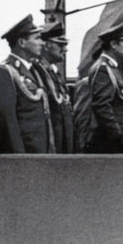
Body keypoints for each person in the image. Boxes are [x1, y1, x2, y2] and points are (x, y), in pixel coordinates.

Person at [0, 14, 55, 154]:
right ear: (22, 43)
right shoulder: (5, 71)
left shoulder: (35, 71)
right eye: (37, 38)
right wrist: (19, 157)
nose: (42, 43)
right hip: (25, 154)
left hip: (42, 150)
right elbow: (7, 122)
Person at [88, 23, 123, 153]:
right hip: (112, 139)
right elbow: (101, 105)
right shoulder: (103, 68)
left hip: (121, 135)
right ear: (113, 44)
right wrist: (117, 133)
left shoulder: (111, 67)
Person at [36, 22, 74, 153]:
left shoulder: (54, 71)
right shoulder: (38, 71)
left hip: (63, 137)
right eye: (60, 45)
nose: (65, 49)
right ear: (47, 45)